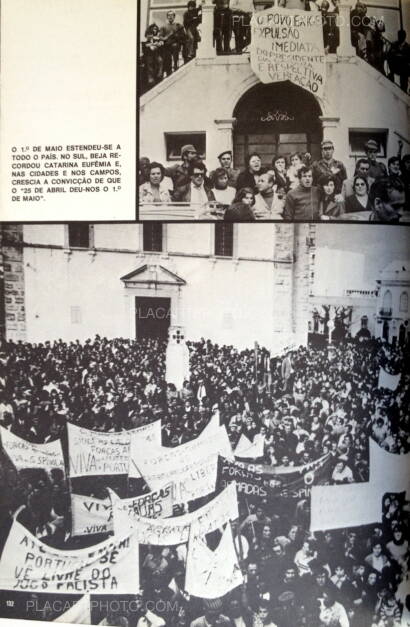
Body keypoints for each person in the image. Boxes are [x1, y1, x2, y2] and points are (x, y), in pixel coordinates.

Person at [160, 11, 186, 76]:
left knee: (175, 48)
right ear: (167, 17)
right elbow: (160, 37)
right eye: (169, 15)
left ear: (174, 17)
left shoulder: (178, 26)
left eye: (172, 15)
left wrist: (178, 36)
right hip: (167, 46)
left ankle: (175, 65)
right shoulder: (163, 26)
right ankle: (169, 71)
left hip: (175, 45)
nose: (170, 17)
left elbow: (183, 36)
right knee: (167, 58)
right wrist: (166, 37)